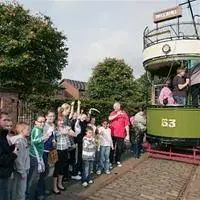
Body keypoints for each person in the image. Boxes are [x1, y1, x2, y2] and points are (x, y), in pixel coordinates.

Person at [52, 116, 76, 194]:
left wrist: (68, 132)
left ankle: (60, 184)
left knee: (63, 167)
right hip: (58, 150)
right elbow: (54, 136)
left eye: (62, 121)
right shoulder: (55, 129)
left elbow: (74, 134)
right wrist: (64, 132)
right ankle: (54, 186)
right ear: (56, 122)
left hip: (65, 149)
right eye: (59, 121)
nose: (61, 122)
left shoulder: (66, 127)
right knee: (57, 168)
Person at [26, 115, 47, 200]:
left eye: (43, 121)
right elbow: (33, 141)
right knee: (33, 178)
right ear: (36, 122)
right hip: (35, 156)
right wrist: (43, 138)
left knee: (35, 177)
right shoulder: (36, 129)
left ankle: (31, 195)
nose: (42, 123)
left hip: (37, 155)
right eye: (40, 121)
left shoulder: (39, 129)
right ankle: (29, 196)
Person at [36, 111, 56, 199]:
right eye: (50, 116)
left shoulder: (53, 125)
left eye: (53, 116)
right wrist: (48, 133)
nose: (52, 118)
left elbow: (52, 137)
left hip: (50, 151)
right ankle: (39, 192)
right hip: (43, 151)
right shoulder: (43, 125)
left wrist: (54, 141)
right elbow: (41, 139)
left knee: (47, 172)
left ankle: (44, 188)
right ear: (46, 117)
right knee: (42, 173)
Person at [0, 111, 17, 200]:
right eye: (4, 120)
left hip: (5, 172)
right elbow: (2, 159)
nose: (7, 122)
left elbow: (4, 150)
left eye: (8, 120)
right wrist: (14, 154)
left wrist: (13, 147)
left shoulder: (3, 134)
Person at [11, 122, 30, 200]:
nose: (29, 131)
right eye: (28, 129)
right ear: (22, 130)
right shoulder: (19, 141)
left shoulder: (23, 139)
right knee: (20, 191)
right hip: (21, 171)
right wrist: (22, 172)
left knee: (18, 190)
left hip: (22, 169)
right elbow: (18, 159)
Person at [109, 102, 130, 167]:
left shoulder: (124, 115)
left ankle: (117, 160)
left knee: (119, 148)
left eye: (115, 107)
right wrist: (117, 115)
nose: (114, 108)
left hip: (121, 134)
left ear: (119, 107)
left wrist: (128, 134)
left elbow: (126, 125)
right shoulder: (112, 113)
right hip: (112, 133)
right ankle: (110, 161)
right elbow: (109, 118)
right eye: (113, 107)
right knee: (112, 148)